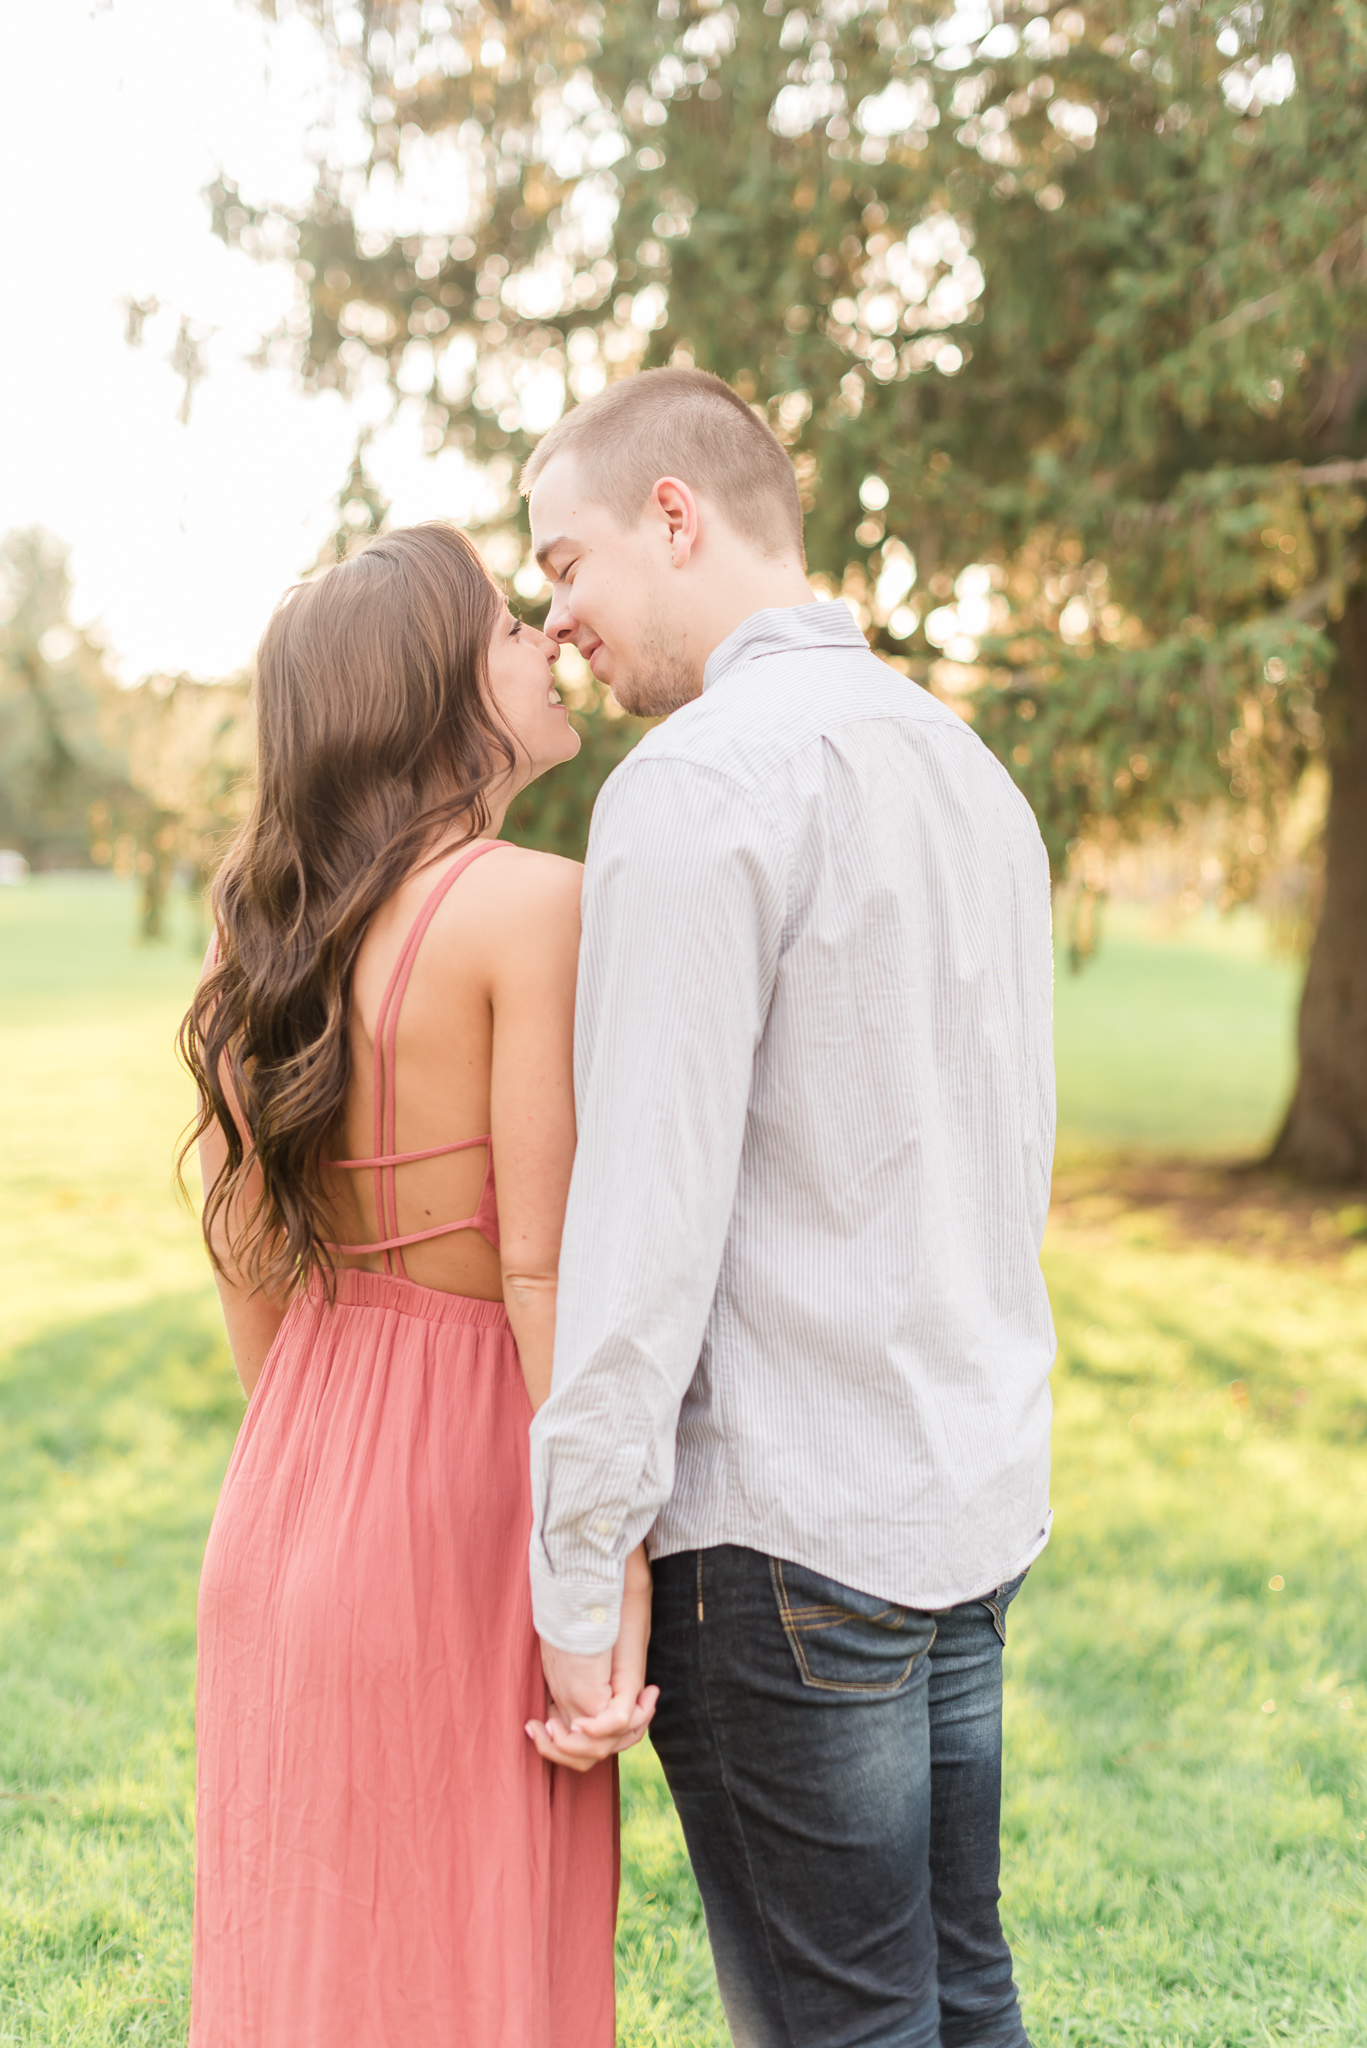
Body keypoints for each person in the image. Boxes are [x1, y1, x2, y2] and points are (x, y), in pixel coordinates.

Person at [522, 368, 1057, 2048]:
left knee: (847, 2028)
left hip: (783, 1536)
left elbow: (640, 1225)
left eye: (564, 561)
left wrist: (577, 1561)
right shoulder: (970, 771)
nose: (558, 622)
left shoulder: (691, 789)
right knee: (960, 1995)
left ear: (671, 515)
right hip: (961, 1506)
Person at [181, 523, 655, 2048]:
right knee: (467, 1962)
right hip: (462, 1498)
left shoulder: (273, 930)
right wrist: (611, 1570)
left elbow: (252, 1268)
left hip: (290, 1487)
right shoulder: (537, 908)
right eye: (512, 627)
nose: (548, 645)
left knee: (311, 1960)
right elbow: (540, 1277)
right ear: (437, 692)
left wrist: (331, 1460)